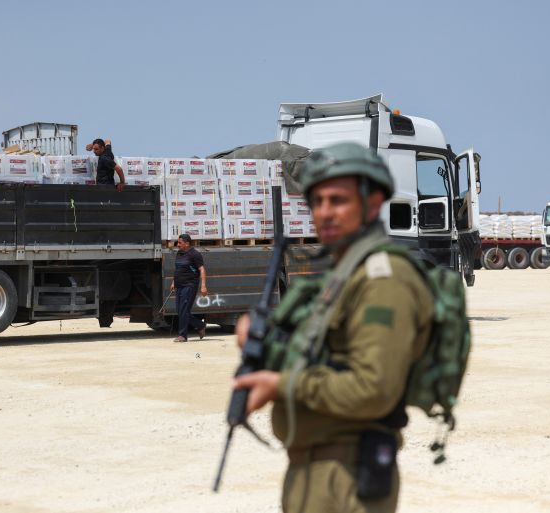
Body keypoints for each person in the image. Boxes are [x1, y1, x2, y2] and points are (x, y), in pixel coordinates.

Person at [233, 142, 434, 513]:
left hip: (347, 476)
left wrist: (283, 384)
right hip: (314, 470)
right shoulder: (345, 275)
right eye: (317, 201)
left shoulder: (383, 280)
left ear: (372, 203)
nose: (324, 213)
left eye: (337, 200)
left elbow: (373, 388)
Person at [171, 233, 208, 342]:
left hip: (190, 285)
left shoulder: (194, 254)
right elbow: (178, 269)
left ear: (187, 243)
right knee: (180, 310)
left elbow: (202, 269)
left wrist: (203, 286)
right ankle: (200, 325)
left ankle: (183, 335)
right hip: (179, 285)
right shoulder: (179, 253)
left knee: (183, 310)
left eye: (180, 243)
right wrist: (174, 282)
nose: (178, 245)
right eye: (178, 242)